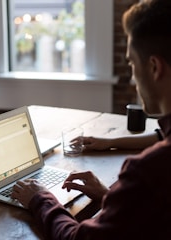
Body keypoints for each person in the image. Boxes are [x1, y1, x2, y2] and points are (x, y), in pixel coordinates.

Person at [11, 0, 171, 239]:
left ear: (154, 67)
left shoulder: (147, 171)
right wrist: (112, 198)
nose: (132, 79)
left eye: (131, 63)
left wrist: (41, 199)